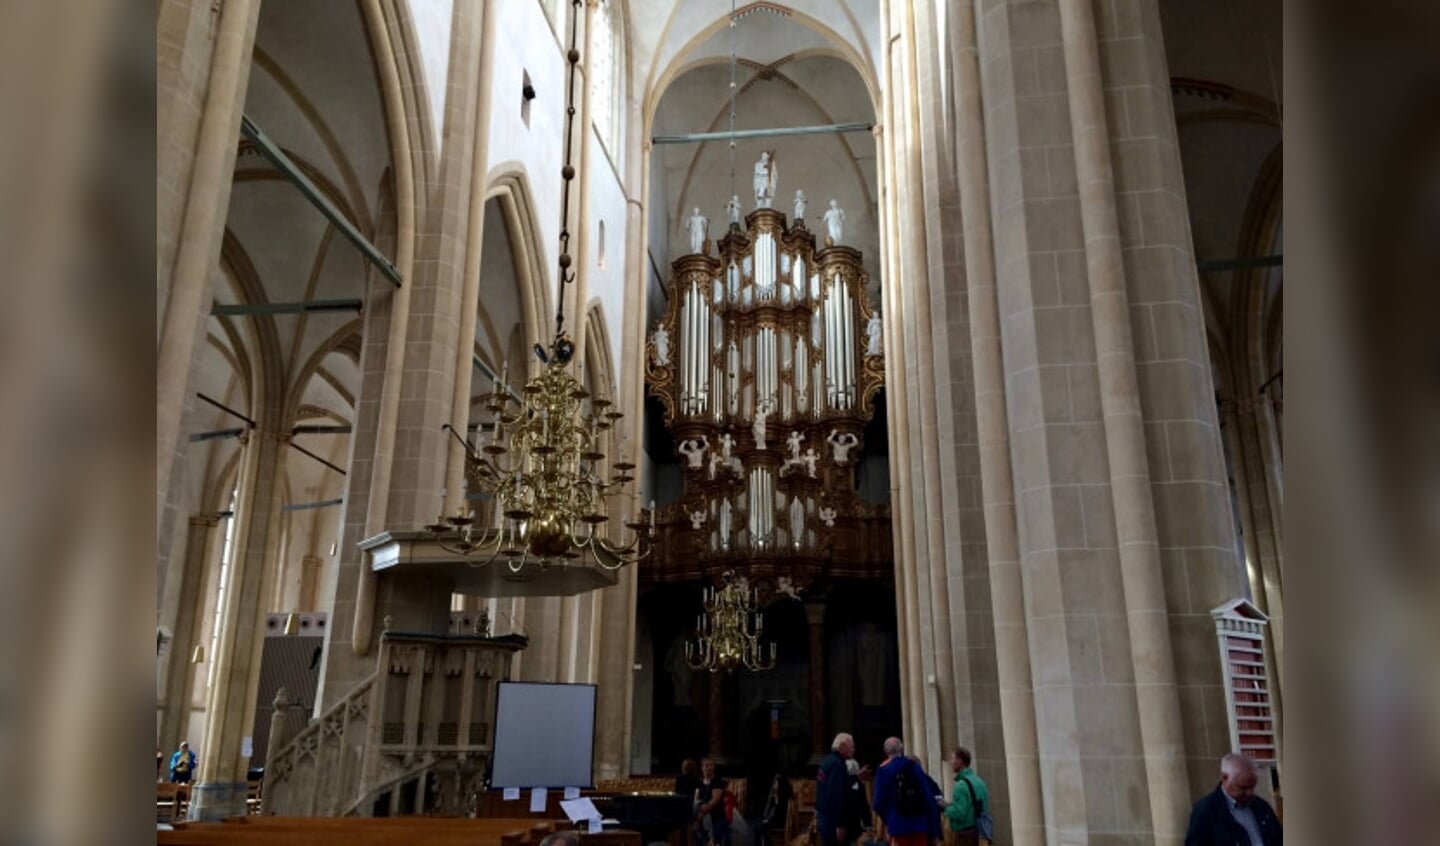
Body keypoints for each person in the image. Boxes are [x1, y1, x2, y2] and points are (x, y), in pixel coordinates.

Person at [1185, 753, 1282, 846]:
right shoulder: (1206, 810)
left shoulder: (1262, 807)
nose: (1249, 793)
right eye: (1243, 788)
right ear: (1224, 778)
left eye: (1252, 787)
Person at [871, 738, 936, 846]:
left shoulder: (883, 770)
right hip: (919, 824)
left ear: (886, 751)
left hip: (897, 825)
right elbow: (928, 798)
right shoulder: (914, 766)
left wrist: (888, 819)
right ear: (901, 749)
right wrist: (934, 830)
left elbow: (878, 803)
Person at [941, 747, 988, 846]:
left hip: (965, 834)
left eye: (952, 759)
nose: (950, 762)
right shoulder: (979, 781)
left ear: (960, 761)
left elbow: (959, 813)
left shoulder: (961, 785)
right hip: (980, 831)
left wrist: (945, 808)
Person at [815, 733, 855, 846]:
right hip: (832, 822)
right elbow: (835, 796)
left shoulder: (828, 760)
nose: (854, 749)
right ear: (842, 746)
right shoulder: (837, 765)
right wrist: (840, 825)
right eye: (851, 746)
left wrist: (855, 778)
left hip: (826, 818)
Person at [695, 757, 730, 846]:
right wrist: (698, 811)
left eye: (711, 765)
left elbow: (715, 799)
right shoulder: (700, 782)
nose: (709, 767)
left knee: (717, 840)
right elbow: (696, 798)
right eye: (706, 765)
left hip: (717, 815)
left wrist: (704, 810)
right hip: (703, 815)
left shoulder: (717, 780)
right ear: (702, 768)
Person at [842, 758, 873, 845]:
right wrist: (868, 825)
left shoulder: (840, 782)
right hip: (854, 822)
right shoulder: (857, 784)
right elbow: (864, 806)